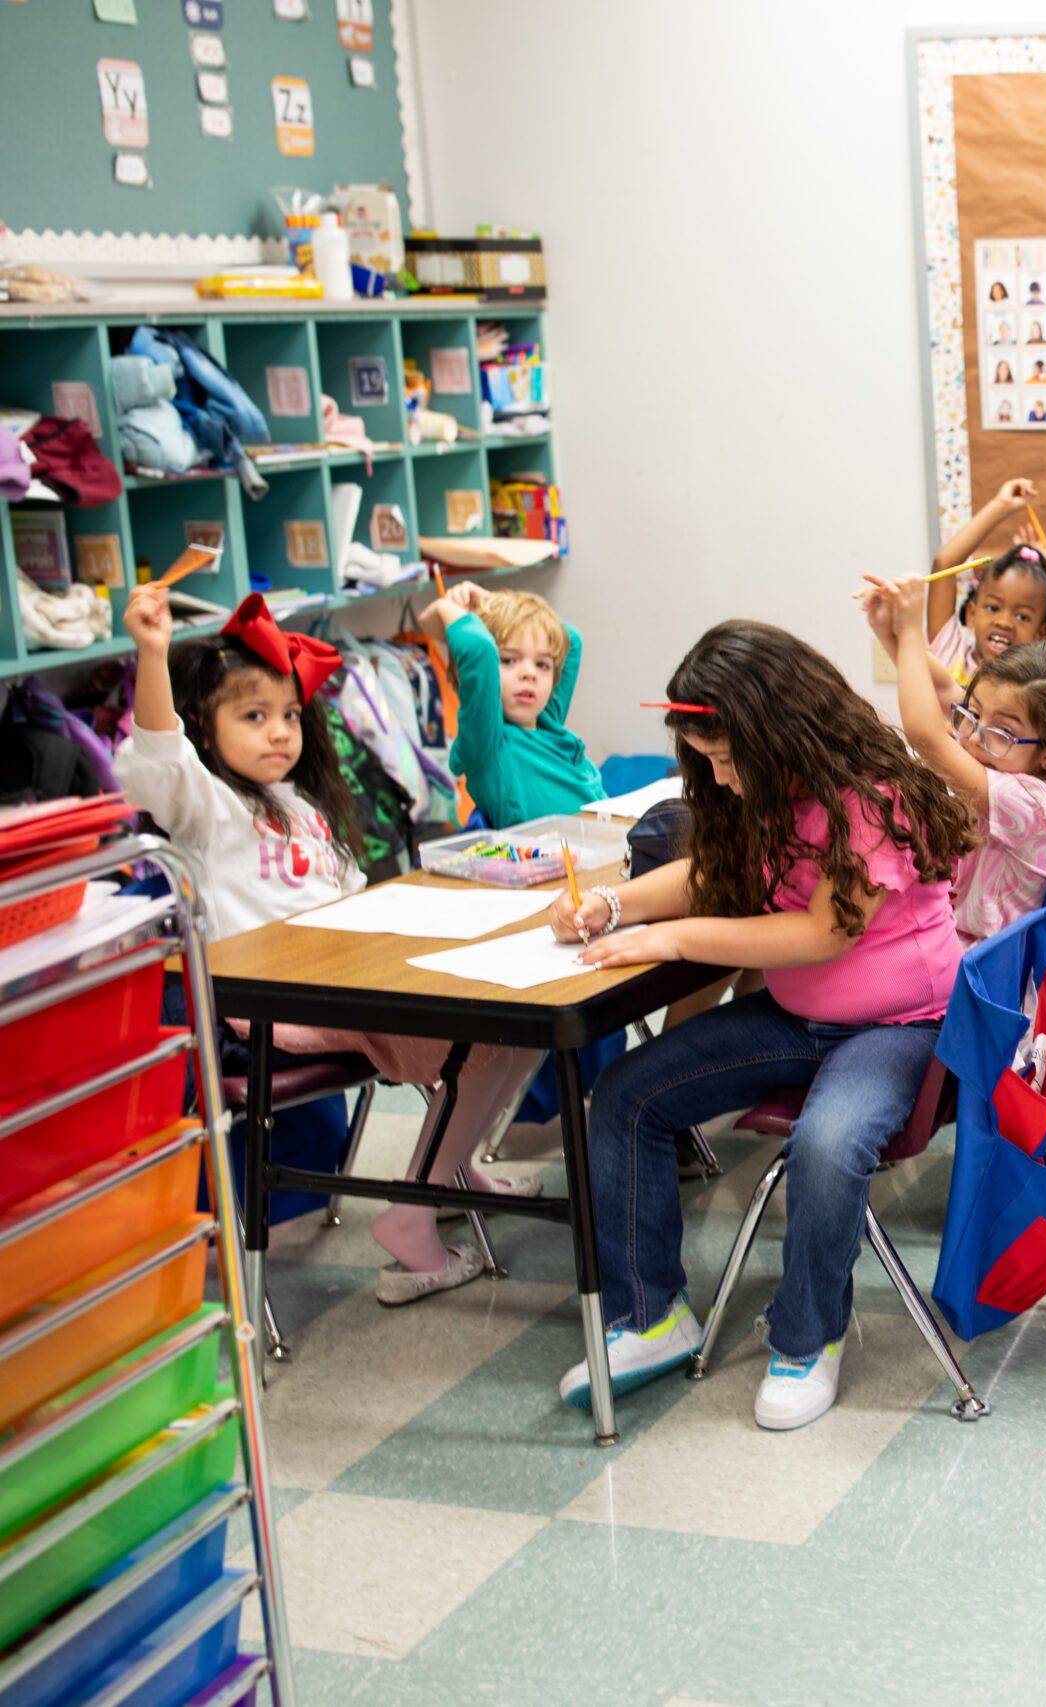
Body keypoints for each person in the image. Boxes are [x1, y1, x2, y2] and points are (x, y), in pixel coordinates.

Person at [551, 622, 973, 1430]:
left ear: (784, 730)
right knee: (628, 1094)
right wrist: (610, 903)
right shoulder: (770, 792)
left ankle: (808, 1336)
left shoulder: (873, 795)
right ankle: (651, 1317)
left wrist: (674, 936)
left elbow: (823, 932)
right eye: (705, 761)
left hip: (899, 1025)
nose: (720, 777)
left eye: (726, 757)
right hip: (801, 1015)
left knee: (826, 1142)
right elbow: (718, 872)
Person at [115, 586, 541, 1305]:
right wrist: (152, 654)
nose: (280, 732)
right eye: (253, 717)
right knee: (488, 1038)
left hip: (339, 982)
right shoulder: (207, 807)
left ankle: (449, 1167)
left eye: (288, 715)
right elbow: (159, 760)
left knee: (516, 1022)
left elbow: (346, 907)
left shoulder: (300, 805)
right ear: (203, 725)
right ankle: (411, 1216)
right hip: (265, 1012)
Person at [866, 572, 1046, 942]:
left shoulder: (1032, 805)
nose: (971, 736)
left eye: (1001, 732)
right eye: (972, 713)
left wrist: (909, 632)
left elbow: (925, 736)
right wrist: (887, 630)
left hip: (979, 962)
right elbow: (941, 686)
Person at [422, 583, 602, 829]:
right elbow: (479, 649)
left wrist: (496, 604)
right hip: (556, 861)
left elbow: (571, 642)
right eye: (507, 660)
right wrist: (446, 607)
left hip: (606, 849)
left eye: (542, 665)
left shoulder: (548, 720)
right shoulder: (487, 742)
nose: (529, 673)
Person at [924, 477, 1046, 685]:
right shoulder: (949, 657)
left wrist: (1041, 553)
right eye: (993, 608)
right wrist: (1001, 506)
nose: (1004, 622)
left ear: (1041, 633)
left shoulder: (1036, 683)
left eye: (1022, 616)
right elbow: (944, 564)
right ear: (972, 614)